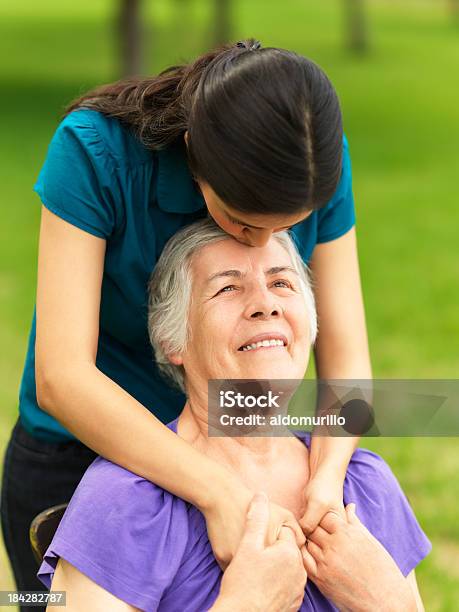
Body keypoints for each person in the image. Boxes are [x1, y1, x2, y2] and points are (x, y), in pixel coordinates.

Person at [1, 38, 372, 607]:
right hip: (78, 460)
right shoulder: (93, 154)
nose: (268, 246)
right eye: (245, 221)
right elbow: (61, 376)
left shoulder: (312, 164)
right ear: (196, 150)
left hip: (236, 448)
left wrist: (325, 476)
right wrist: (220, 496)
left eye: (288, 228)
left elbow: (347, 363)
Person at [37, 220, 430, 611]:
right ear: (174, 339)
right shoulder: (123, 502)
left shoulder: (365, 487)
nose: (266, 304)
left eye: (281, 284)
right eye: (228, 288)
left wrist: (391, 603)